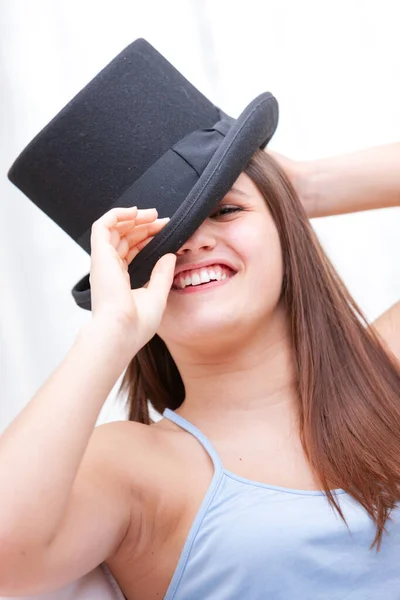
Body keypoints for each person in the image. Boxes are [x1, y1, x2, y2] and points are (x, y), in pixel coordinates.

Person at [0, 142, 399, 600]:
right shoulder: (134, 467)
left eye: (226, 209)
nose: (191, 242)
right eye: (154, 239)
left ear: (283, 226)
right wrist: (110, 330)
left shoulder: (385, 374)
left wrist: (307, 188)